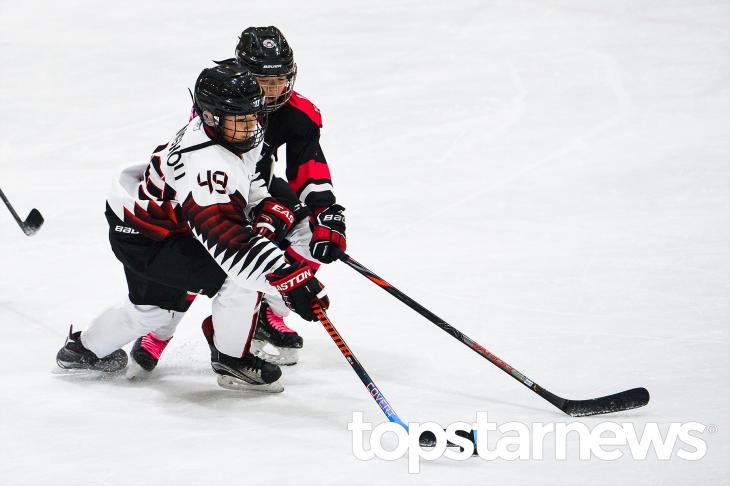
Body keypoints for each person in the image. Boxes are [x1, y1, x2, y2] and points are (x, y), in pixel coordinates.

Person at [56, 63, 329, 393]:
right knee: (235, 279)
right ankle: (233, 359)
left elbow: (248, 177)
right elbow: (230, 245)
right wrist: (289, 281)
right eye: (239, 119)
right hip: (149, 238)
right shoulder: (207, 165)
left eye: (252, 116)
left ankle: (81, 351)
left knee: (151, 313)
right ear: (211, 117)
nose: (249, 127)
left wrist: (265, 205)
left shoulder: (230, 133)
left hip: (148, 224)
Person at [130, 26, 346, 370]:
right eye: (263, 80)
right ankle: (160, 331)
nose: (273, 90)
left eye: (280, 80)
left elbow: (307, 163)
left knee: (309, 232)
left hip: (259, 184)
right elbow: (214, 166)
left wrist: (325, 210)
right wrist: (257, 214)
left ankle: (267, 314)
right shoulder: (223, 100)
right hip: (213, 189)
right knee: (205, 251)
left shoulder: (299, 112)